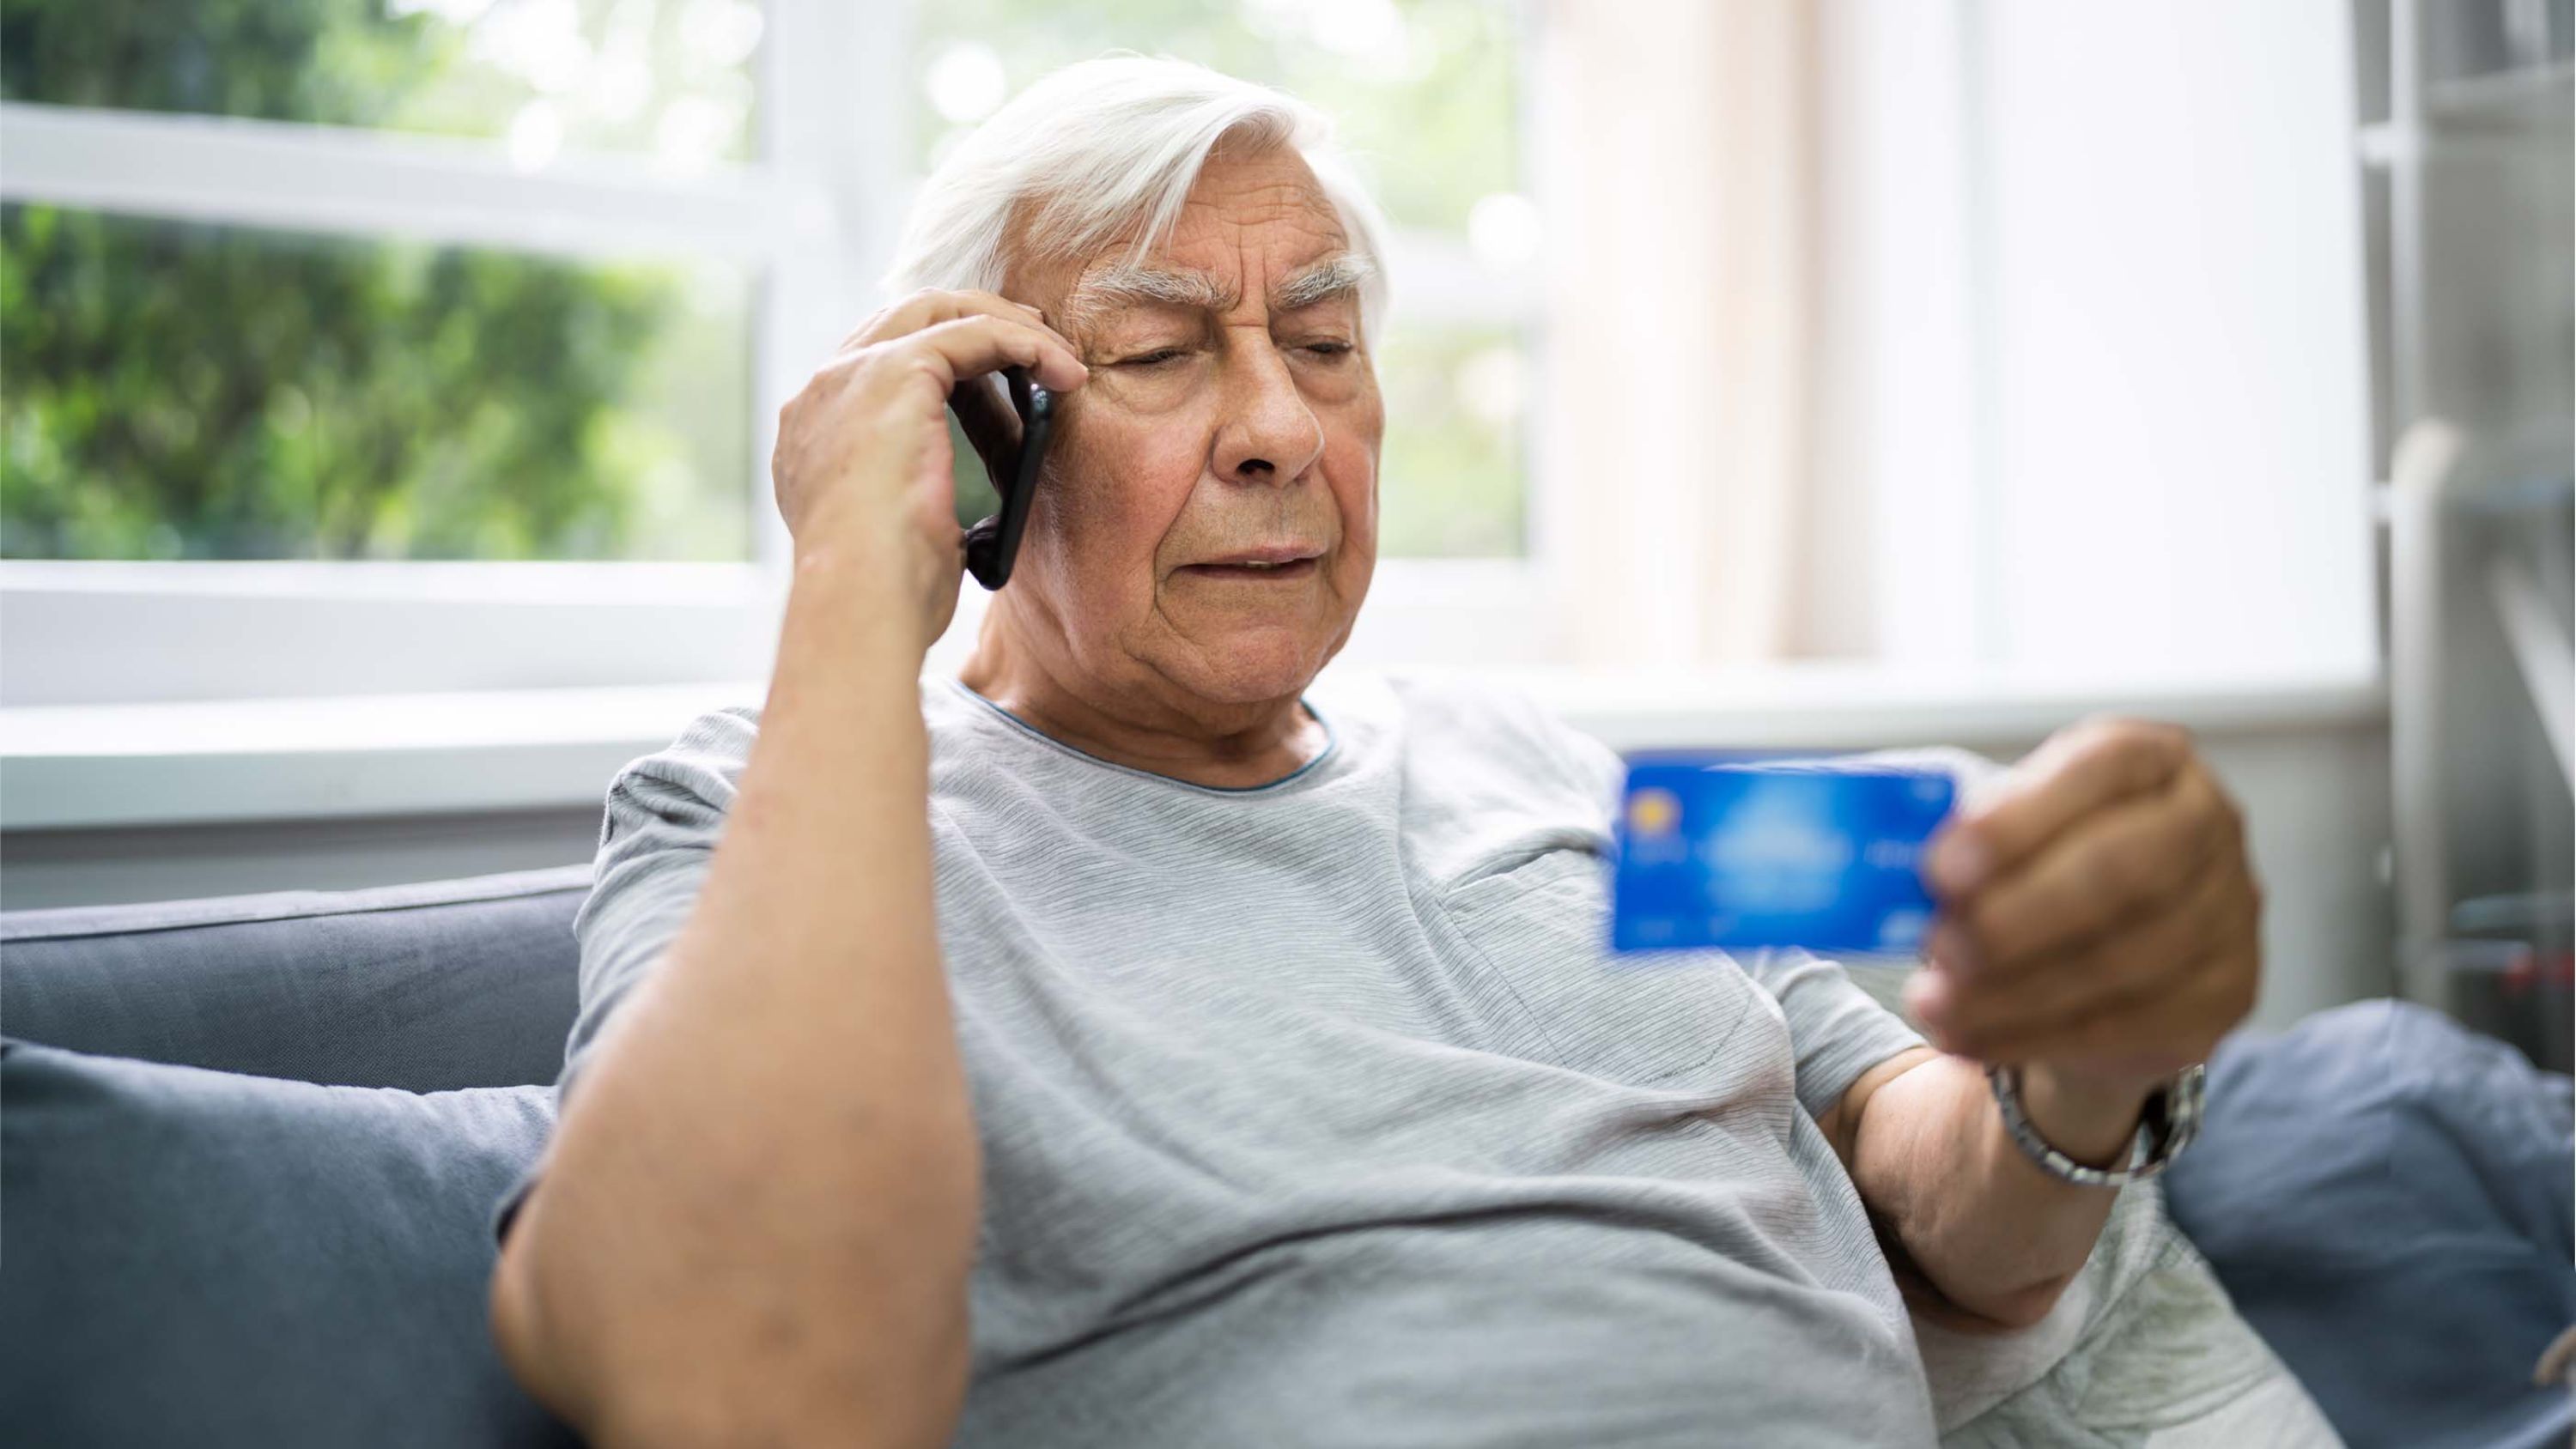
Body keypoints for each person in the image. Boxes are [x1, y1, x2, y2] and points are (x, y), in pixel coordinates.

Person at [486, 56, 2282, 1448]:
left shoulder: (1558, 764)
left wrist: (2088, 1063)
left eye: (1326, 343)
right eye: (1164, 350)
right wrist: (850, 603)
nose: (1281, 424)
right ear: (980, 432)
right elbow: (737, 1380)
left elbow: (1957, 1209)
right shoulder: (765, 803)